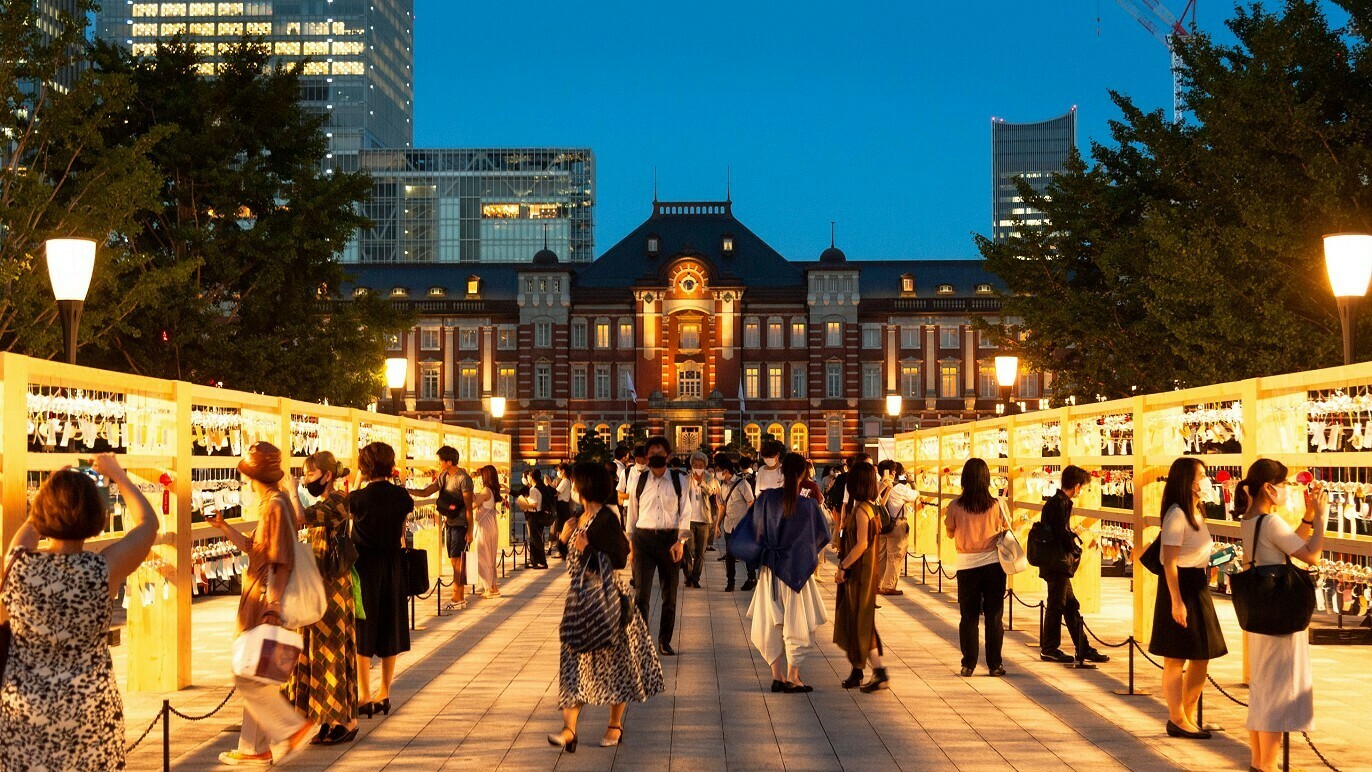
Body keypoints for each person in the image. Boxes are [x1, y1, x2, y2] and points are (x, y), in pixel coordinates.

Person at [0, 455, 159, 770]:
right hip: (89, 705)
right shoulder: (102, 569)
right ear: (97, 514)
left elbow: (30, 529)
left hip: (25, 706)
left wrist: (52, 490)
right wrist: (119, 476)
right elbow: (148, 524)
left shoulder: (18, 566)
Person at [211, 442, 318, 765]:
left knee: (247, 674)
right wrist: (223, 526)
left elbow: (279, 560)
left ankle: (291, 729)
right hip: (261, 594)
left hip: (263, 598)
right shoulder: (274, 503)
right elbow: (256, 549)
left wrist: (272, 604)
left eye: (246, 476)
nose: (244, 482)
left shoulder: (273, 506)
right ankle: (254, 749)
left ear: (253, 476)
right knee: (256, 672)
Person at [548, 462, 665, 754]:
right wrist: (564, 538)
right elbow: (568, 555)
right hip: (579, 602)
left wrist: (586, 548)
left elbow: (618, 560)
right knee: (573, 665)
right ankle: (568, 729)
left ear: (586, 486)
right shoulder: (579, 516)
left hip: (606, 601)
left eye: (575, 482)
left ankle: (615, 724)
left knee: (616, 666)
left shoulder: (606, 519)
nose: (572, 487)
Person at [1236, 459, 1325, 772]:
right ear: (1268, 487)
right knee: (1277, 693)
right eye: (1285, 484)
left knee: (1263, 690)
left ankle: (1259, 762)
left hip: (1263, 614)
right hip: (1281, 616)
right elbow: (1310, 555)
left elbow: (1290, 544)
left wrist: (1309, 516)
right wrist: (1324, 519)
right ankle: (1267, 766)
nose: (1288, 490)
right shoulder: (1269, 522)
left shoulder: (1251, 520)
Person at [1149, 458, 1228, 740]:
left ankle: (1188, 715)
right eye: (1202, 476)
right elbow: (1168, 562)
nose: (1206, 480)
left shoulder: (1197, 512)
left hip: (1197, 583)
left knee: (1202, 654)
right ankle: (1177, 718)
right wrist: (1176, 601)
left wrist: (1211, 560)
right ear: (1188, 481)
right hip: (1180, 586)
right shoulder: (1177, 515)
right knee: (1175, 657)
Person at [285, 451, 360, 746]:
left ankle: (345, 720)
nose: (305, 481)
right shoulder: (326, 502)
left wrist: (292, 492)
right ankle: (326, 718)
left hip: (334, 590)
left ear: (327, 476)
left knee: (333, 653)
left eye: (310, 475)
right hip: (320, 587)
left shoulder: (338, 502)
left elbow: (301, 517)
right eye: (304, 476)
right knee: (319, 652)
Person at [747, 453, 832, 692]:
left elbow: (756, 532)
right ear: (804, 473)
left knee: (771, 620)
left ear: (782, 472)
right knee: (798, 621)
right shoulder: (808, 506)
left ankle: (777, 675)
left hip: (771, 570)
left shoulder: (767, 500)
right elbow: (821, 537)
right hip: (796, 570)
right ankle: (793, 675)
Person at [349, 441, 414, 719]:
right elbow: (402, 526)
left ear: (365, 466)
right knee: (391, 623)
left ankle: (363, 694)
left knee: (363, 627)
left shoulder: (357, 498)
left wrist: (358, 479)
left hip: (363, 566)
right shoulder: (402, 497)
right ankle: (384, 691)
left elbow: (349, 506)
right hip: (392, 563)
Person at [1039, 465, 1110, 668]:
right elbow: (1061, 533)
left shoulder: (1058, 502)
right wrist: (1075, 549)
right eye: (1083, 487)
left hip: (1055, 563)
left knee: (1070, 606)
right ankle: (1050, 649)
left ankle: (1083, 647)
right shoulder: (1060, 503)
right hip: (1057, 564)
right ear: (1077, 486)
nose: (1082, 491)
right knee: (1056, 604)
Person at [627, 436, 689, 655]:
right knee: (641, 595)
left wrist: (681, 542)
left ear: (668, 456)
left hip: (670, 540)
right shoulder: (638, 480)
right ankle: (642, 641)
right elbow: (631, 514)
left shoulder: (679, 480)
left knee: (669, 596)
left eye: (659, 454)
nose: (655, 457)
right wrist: (632, 547)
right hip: (643, 540)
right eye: (651, 454)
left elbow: (685, 512)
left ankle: (664, 640)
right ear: (646, 457)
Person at [944, 458, 1006, 677]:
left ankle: (968, 663)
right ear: (986, 479)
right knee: (994, 616)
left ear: (964, 479)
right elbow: (1007, 529)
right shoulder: (997, 505)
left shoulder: (955, 505)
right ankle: (995, 664)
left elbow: (950, 532)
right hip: (993, 565)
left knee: (968, 616)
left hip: (967, 566)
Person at [833, 460, 889, 692]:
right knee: (857, 619)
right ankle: (858, 670)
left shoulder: (862, 510)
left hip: (859, 573)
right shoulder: (871, 507)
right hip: (865, 572)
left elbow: (862, 544)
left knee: (861, 621)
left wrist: (843, 567)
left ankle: (879, 672)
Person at [407, 446, 473, 609]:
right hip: (449, 522)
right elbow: (426, 491)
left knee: (457, 560)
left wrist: (470, 530)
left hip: (460, 523)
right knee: (452, 559)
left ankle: (457, 597)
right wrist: (407, 490)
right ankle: (458, 596)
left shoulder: (463, 478)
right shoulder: (444, 476)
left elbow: (469, 507)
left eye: (440, 461)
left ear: (449, 461)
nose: (438, 464)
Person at [715, 459, 758, 592]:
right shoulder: (723, 486)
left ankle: (751, 578)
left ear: (725, 471)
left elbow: (751, 503)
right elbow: (722, 507)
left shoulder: (743, 484)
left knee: (746, 552)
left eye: (718, 470)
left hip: (743, 525)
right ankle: (730, 582)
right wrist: (717, 525)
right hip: (729, 525)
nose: (717, 473)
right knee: (730, 555)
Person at [875, 460, 917, 596]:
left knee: (880, 556)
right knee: (895, 556)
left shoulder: (877, 486)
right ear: (893, 472)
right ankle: (889, 586)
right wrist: (912, 482)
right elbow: (915, 495)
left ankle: (877, 584)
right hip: (897, 525)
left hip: (881, 525)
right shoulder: (899, 488)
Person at [682, 451, 714, 589]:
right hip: (688, 519)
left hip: (704, 520)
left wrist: (701, 482)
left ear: (705, 466)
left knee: (700, 551)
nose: (697, 467)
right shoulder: (685, 479)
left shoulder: (709, 478)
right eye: (695, 464)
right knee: (688, 550)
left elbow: (711, 492)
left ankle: (696, 577)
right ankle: (688, 576)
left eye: (700, 465)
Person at [473, 465, 502, 598]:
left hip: (484, 526)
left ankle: (488, 588)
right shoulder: (492, 490)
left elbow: (473, 504)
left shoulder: (485, 491)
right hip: (491, 525)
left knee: (483, 556)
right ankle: (493, 586)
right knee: (490, 556)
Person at [518, 469, 550, 569]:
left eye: (528, 476)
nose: (527, 478)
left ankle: (542, 561)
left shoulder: (533, 490)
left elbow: (534, 504)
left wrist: (523, 504)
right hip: (538, 515)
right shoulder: (539, 487)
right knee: (533, 539)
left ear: (532, 477)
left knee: (536, 540)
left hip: (534, 515)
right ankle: (534, 560)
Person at [553, 463, 574, 559]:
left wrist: (549, 485)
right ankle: (562, 550)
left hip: (562, 506)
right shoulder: (565, 481)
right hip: (561, 506)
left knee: (561, 529)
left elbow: (556, 493)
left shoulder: (565, 481)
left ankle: (562, 550)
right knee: (560, 529)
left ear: (563, 471)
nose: (558, 472)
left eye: (559, 470)